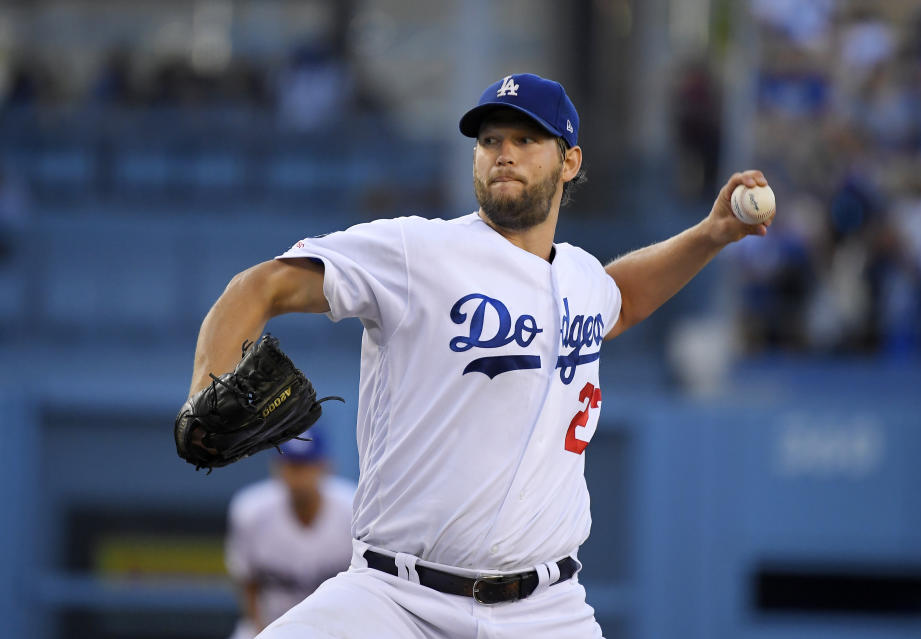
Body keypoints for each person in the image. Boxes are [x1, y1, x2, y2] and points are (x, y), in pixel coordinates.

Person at [187, 72, 773, 638]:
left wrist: (711, 233)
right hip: (393, 599)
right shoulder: (418, 250)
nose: (504, 153)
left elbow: (619, 304)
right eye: (490, 140)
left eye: (526, 139)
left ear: (569, 161)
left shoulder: (579, 277)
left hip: (546, 611)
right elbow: (259, 287)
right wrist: (203, 390)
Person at [224, 426, 355, 639]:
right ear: (277, 468)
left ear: (325, 466)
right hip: (270, 625)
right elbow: (247, 581)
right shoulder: (251, 511)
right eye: (292, 466)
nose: (299, 477)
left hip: (336, 629)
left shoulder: (352, 511)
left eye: (307, 466)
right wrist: (261, 631)